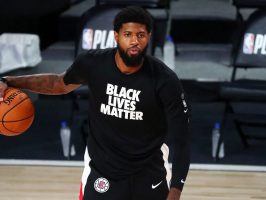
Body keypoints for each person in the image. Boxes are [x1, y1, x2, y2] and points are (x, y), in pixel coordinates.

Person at [0, 6, 190, 200]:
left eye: (141, 35)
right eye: (128, 34)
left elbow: (182, 139)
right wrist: (9, 81)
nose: (134, 41)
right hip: (102, 171)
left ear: (148, 36)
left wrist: (175, 192)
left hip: (149, 171)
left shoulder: (165, 80)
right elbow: (58, 83)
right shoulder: (94, 63)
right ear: (116, 36)